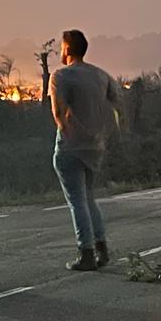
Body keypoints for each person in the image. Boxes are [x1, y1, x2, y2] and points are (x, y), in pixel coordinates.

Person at [49, 29, 119, 271]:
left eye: (61, 47)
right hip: (94, 148)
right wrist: (101, 136)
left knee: (77, 200)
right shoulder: (100, 76)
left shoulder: (60, 76)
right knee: (89, 198)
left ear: (67, 49)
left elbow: (59, 114)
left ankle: (86, 251)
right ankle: (102, 248)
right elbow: (116, 107)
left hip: (71, 147)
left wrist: (72, 135)